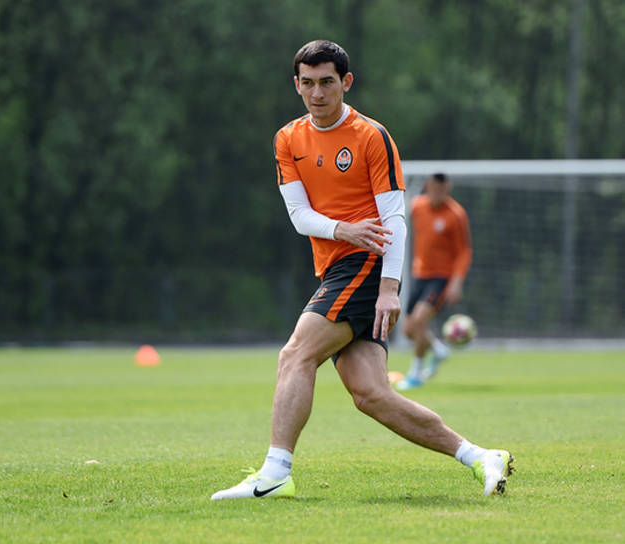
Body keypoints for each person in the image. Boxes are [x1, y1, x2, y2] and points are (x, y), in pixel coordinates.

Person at [210, 40, 512, 501]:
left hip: (367, 264)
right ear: (296, 85)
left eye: (327, 82)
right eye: (308, 83)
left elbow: (394, 219)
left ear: (346, 82)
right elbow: (299, 216)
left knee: (295, 354)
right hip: (337, 264)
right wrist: (343, 229)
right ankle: (480, 456)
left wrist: (390, 288)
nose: (317, 93)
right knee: (370, 394)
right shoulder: (287, 138)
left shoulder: (372, 136)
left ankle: (275, 473)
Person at [396, 173, 472, 390]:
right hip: (419, 274)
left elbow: (464, 252)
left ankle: (415, 374)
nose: (438, 193)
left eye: (442, 189)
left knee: (420, 320)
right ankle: (438, 350)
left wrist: (456, 282)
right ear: (428, 187)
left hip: (440, 277)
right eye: (435, 188)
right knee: (409, 330)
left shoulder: (455, 214)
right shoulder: (417, 207)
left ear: (448, 188)